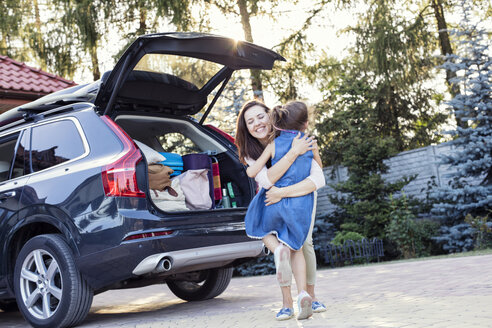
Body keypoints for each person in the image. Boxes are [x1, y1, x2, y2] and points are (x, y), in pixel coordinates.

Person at [235, 100, 326, 321]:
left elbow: (318, 177)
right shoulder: (251, 150)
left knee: (303, 244)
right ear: (245, 128)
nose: (257, 123)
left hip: (300, 196)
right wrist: (293, 153)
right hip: (273, 199)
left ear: (272, 116)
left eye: (260, 116)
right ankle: (288, 302)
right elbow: (266, 179)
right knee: (286, 248)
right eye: (250, 121)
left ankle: (309, 297)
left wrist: (283, 193)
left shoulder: (295, 137)